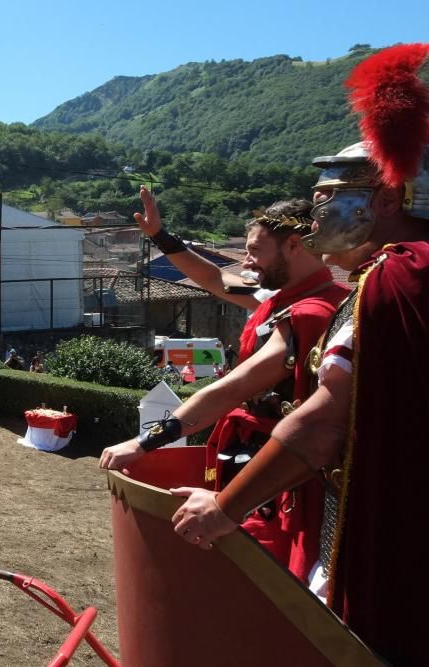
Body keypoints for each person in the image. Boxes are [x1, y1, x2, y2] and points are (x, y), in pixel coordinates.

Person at [169, 45, 429, 665]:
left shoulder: (390, 282)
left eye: (329, 200)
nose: (318, 217)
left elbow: (321, 426)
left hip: (391, 541)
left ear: (386, 200)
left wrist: (223, 509)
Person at [101, 195, 350, 578]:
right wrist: (160, 236)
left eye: (254, 251)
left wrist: (143, 442)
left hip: (281, 477)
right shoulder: (288, 299)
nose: (246, 262)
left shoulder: (308, 313)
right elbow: (214, 279)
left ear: (295, 245)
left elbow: (231, 390)